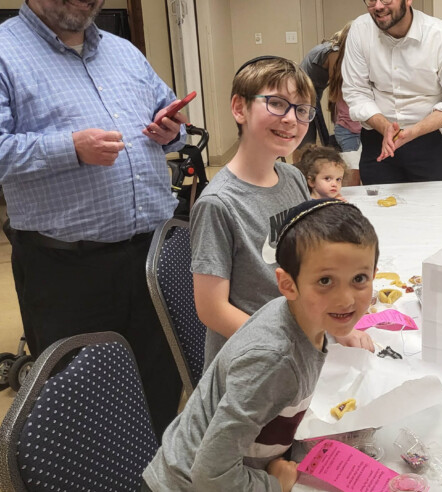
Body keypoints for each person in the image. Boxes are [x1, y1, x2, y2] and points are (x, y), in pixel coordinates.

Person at [0, 0, 184, 439]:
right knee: (82, 404)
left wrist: (171, 130)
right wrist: (69, 149)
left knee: (159, 384)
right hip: (68, 272)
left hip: (152, 258)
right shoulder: (5, 53)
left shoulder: (125, 51)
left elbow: (168, 113)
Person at [143, 199, 379, 492]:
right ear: (288, 284)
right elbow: (210, 475)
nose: (345, 299)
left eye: (359, 279)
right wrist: (273, 483)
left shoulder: (300, 317)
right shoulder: (274, 361)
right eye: (325, 281)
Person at [191, 57, 371, 369]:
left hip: (300, 333)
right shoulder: (218, 203)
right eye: (276, 104)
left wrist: (335, 319)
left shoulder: (292, 178)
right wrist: (286, 343)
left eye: (301, 110)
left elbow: (310, 259)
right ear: (239, 108)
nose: (291, 119)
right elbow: (213, 310)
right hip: (255, 358)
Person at [342, 0, 442, 185]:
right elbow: (356, 91)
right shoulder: (361, 30)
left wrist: (415, 131)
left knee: (434, 208)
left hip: (433, 141)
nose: (378, 6)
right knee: (379, 205)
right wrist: (385, 127)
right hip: (379, 138)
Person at [324, 22, 362, 186]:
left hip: (362, 128)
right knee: (354, 172)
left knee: (365, 169)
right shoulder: (341, 66)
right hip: (349, 129)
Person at [298, 29, 342, 146]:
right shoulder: (334, 51)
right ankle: (300, 163)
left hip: (307, 87)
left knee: (307, 127)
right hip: (305, 89)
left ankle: (301, 160)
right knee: (307, 131)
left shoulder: (327, 46)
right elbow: (335, 81)